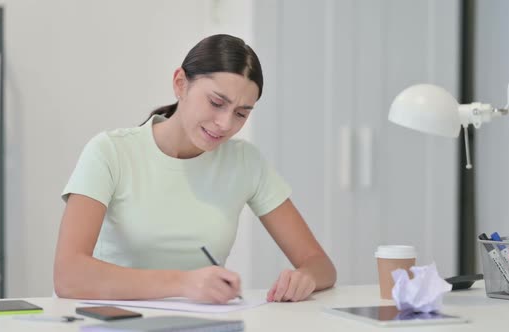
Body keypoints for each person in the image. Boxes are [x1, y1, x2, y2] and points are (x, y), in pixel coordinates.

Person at [54, 34, 336, 304]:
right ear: (180, 84)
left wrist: (305, 277)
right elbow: (68, 276)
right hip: (109, 322)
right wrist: (183, 284)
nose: (225, 124)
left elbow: (320, 264)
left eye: (241, 113)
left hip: (202, 324)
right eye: (216, 103)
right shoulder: (110, 151)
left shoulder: (245, 162)